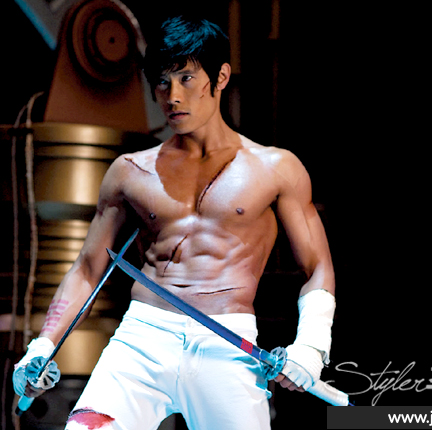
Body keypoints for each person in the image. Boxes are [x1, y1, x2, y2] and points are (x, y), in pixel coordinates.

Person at [13, 16, 336, 430]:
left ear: (221, 77)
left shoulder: (276, 168)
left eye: (186, 78)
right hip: (142, 340)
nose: (173, 96)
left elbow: (317, 266)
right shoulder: (131, 171)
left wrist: (311, 345)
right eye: (162, 82)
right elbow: (88, 269)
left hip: (227, 343)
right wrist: (41, 346)